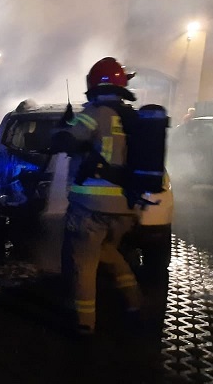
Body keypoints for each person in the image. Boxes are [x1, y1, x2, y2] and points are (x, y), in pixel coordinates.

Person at [50, 57, 144, 335]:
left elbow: (67, 141)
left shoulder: (96, 112)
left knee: (83, 264)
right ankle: (136, 302)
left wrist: (61, 128)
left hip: (90, 207)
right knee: (108, 252)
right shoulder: (133, 119)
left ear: (93, 84)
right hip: (125, 208)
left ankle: (84, 323)